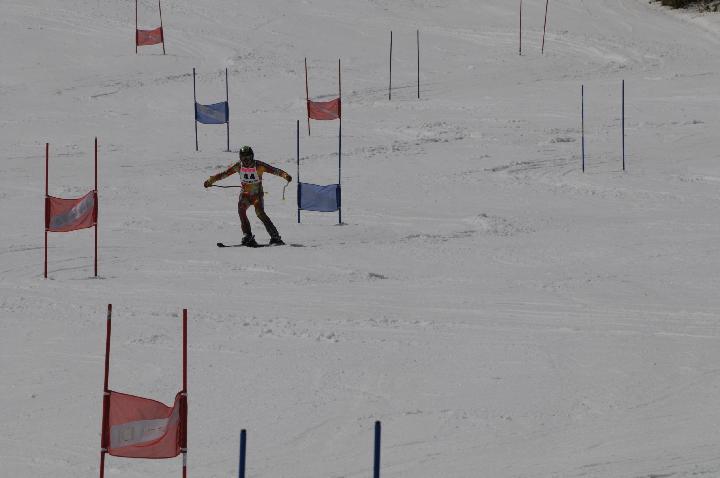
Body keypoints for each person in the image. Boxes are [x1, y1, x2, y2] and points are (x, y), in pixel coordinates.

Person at [204, 145, 292, 246]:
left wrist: (285, 175)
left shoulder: (258, 165)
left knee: (260, 213)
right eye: (244, 158)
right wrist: (210, 181)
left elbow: (274, 170)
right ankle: (247, 235)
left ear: (252, 157)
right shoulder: (238, 166)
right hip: (245, 194)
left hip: (257, 195)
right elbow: (224, 174)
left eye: (248, 158)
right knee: (241, 210)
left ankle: (275, 236)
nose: (246, 161)